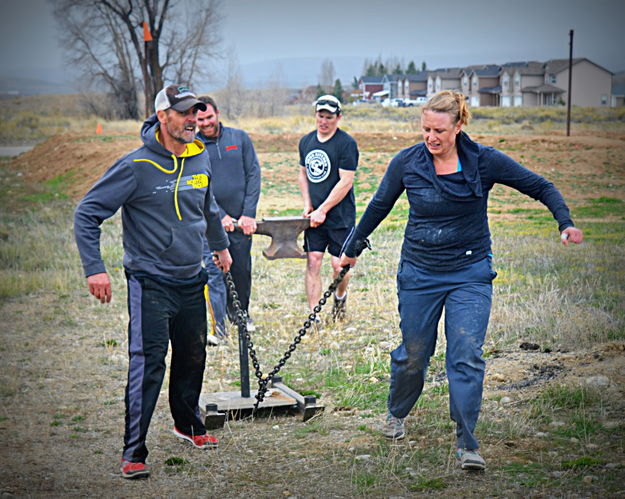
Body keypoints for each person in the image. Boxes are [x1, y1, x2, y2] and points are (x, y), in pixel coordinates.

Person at [340, 90, 583, 471]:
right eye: (425, 129)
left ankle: (467, 442)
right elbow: (379, 205)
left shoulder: (484, 162)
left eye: (438, 130)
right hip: (420, 271)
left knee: (465, 354)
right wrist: (352, 247)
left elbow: (540, 186)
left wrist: (564, 222)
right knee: (414, 354)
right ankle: (397, 412)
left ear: (458, 126)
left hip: (469, 271)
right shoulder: (407, 162)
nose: (431, 137)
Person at [74, 84, 233, 480]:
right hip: (151, 282)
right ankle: (134, 451)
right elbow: (87, 213)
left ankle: (188, 423)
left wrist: (221, 247)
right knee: (148, 366)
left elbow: (209, 208)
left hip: (191, 277)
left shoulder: (200, 158)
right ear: (163, 117)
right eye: (184, 113)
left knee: (193, 357)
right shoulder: (135, 166)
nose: (193, 120)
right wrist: (95, 268)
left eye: (196, 112)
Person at [196, 96, 261, 333]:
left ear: (218, 113)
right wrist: (218, 216)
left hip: (241, 222)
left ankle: (241, 314)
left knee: (241, 269)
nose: (205, 123)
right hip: (211, 221)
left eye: (209, 117)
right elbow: (199, 185)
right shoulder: (193, 146)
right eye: (200, 119)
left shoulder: (239, 138)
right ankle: (219, 324)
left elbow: (253, 174)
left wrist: (248, 214)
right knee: (216, 271)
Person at [298, 94, 359, 322]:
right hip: (314, 216)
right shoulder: (306, 142)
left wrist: (323, 209)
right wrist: (308, 204)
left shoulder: (346, 144)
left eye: (329, 117)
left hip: (340, 216)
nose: (324, 121)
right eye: (320, 116)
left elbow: (346, 181)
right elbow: (303, 174)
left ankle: (340, 298)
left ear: (338, 117)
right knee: (313, 260)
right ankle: (313, 315)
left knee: (338, 265)